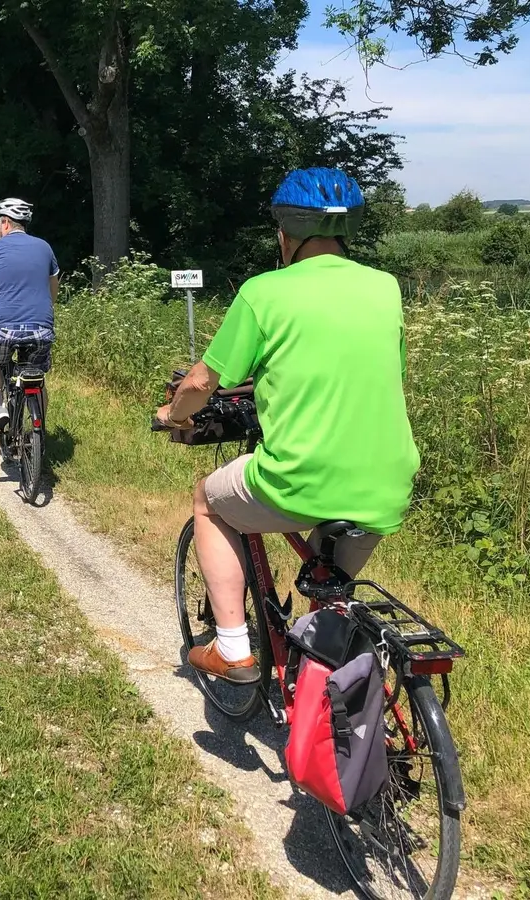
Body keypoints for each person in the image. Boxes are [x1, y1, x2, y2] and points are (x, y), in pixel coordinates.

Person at [153, 167, 418, 685]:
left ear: (285, 234)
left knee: (207, 498)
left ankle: (232, 649)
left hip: (299, 478)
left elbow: (204, 381)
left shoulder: (264, 292)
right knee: (329, 587)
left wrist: (172, 415)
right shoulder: (386, 287)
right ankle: (323, 678)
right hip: (388, 482)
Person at [0, 198, 57, 437]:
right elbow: (53, 287)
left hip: (2, 329)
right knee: (36, 375)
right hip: (42, 328)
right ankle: (39, 432)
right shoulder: (45, 247)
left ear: (5, 223)